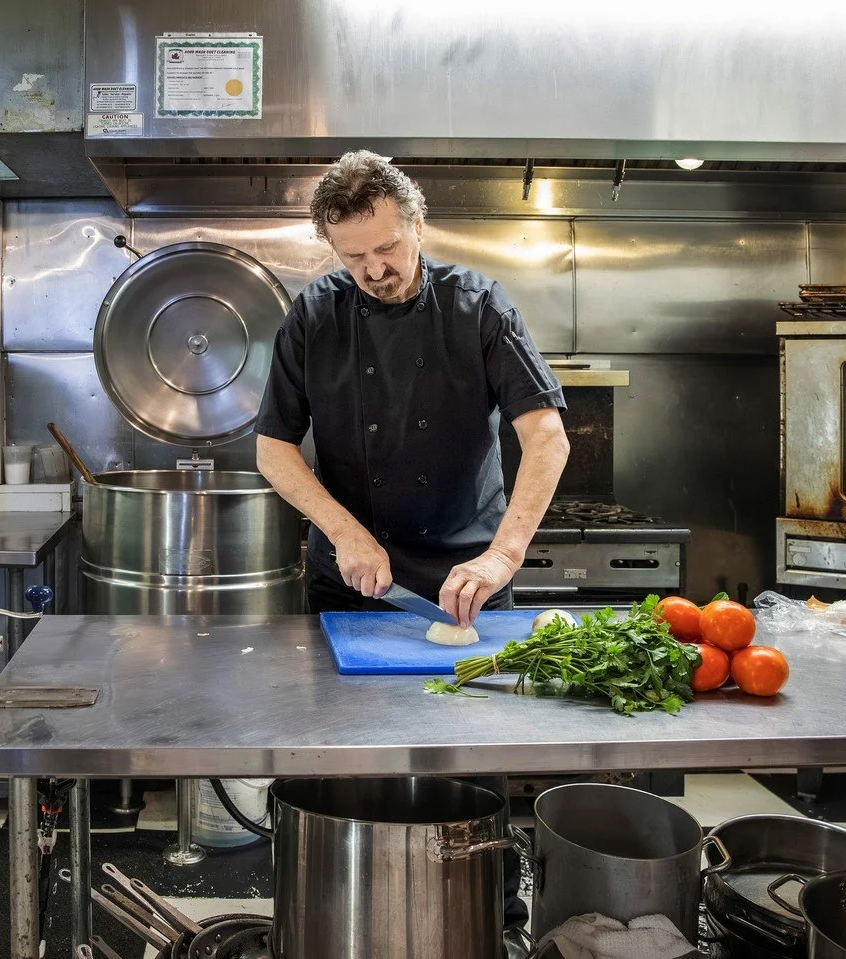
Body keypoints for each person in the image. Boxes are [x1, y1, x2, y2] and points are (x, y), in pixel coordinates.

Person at [254, 150, 571, 951]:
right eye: (351, 256)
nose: (373, 269)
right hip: (351, 583)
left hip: (467, 576)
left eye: (386, 249)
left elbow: (546, 439)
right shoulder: (315, 315)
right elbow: (272, 448)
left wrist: (501, 559)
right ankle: (329, 916)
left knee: (468, 774)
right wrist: (342, 527)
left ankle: (484, 921)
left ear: (416, 226)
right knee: (339, 767)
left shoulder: (478, 305)